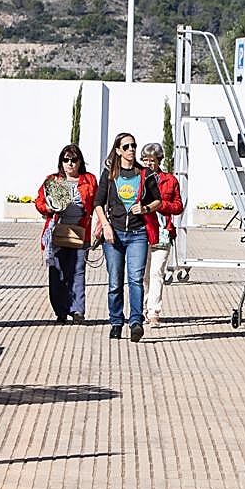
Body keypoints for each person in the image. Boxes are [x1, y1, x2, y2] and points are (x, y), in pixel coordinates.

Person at [93, 133, 160, 342]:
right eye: (127, 146)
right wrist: (105, 226)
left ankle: (136, 322)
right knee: (114, 282)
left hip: (138, 234)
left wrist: (146, 207)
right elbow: (98, 203)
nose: (131, 149)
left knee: (135, 280)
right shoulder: (109, 173)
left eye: (133, 146)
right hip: (114, 233)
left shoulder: (144, 174)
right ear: (118, 150)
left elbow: (158, 200)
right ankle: (115, 321)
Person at [35, 145, 97, 323]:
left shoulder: (89, 180)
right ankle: (60, 311)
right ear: (61, 162)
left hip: (80, 232)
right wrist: (48, 207)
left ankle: (77, 310)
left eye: (74, 160)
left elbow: (96, 203)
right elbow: (39, 202)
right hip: (57, 233)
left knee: (77, 272)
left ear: (80, 162)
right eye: (66, 160)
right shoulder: (53, 180)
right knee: (58, 273)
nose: (70, 164)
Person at [139, 142, 184, 326]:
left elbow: (178, 206)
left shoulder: (170, 180)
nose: (149, 163)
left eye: (152, 160)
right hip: (142, 230)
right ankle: (141, 308)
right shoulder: (138, 178)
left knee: (157, 271)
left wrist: (159, 205)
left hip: (163, 231)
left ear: (159, 161)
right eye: (145, 160)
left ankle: (154, 311)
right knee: (142, 274)